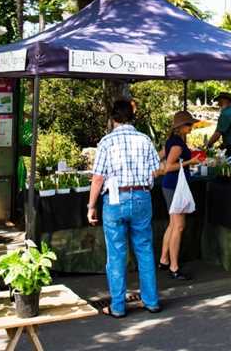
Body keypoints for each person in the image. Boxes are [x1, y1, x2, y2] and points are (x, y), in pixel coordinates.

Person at [87, 100, 162, 318]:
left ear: (113, 118)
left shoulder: (106, 142)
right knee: (145, 250)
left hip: (115, 200)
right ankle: (151, 301)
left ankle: (118, 307)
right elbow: (156, 170)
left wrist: (91, 205)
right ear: (131, 117)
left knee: (116, 253)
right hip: (141, 196)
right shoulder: (145, 139)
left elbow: (98, 177)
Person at [159, 111, 202, 280]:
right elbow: (169, 166)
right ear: (181, 127)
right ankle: (174, 267)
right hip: (174, 186)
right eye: (189, 124)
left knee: (173, 224)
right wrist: (190, 162)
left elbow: (160, 156)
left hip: (172, 186)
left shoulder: (173, 141)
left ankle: (164, 259)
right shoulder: (177, 144)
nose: (191, 127)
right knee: (179, 226)